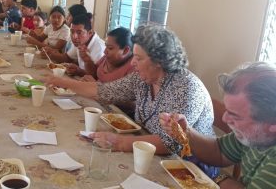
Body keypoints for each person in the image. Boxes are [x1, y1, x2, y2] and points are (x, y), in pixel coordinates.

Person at [46, 25, 215, 158]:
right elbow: (104, 92)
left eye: (139, 58)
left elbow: (170, 143)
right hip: (147, 150)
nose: (133, 63)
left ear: (159, 61)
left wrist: (119, 143)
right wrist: (62, 81)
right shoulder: (143, 78)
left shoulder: (185, 87)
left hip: (188, 165)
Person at [160, 62, 276, 188]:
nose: (225, 118)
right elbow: (219, 152)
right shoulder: (254, 134)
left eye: (235, 115)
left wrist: (220, 180)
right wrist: (185, 131)